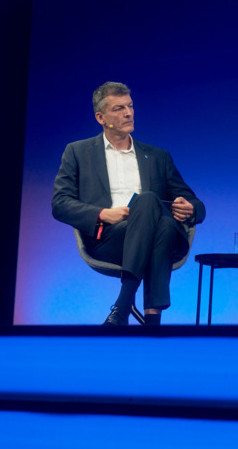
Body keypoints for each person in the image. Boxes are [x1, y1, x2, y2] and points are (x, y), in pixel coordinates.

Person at [52, 82, 205, 325]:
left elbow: (197, 203)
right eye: (119, 108)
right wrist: (103, 214)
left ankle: (122, 306)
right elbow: (60, 204)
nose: (128, 113)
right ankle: (153, 324)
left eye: (130, 106)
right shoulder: (78, 152)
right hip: (111, 239)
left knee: (147, 202)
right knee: (161, 228)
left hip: (166, 239)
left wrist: (191, 209)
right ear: (100, 117)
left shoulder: (157, 156)